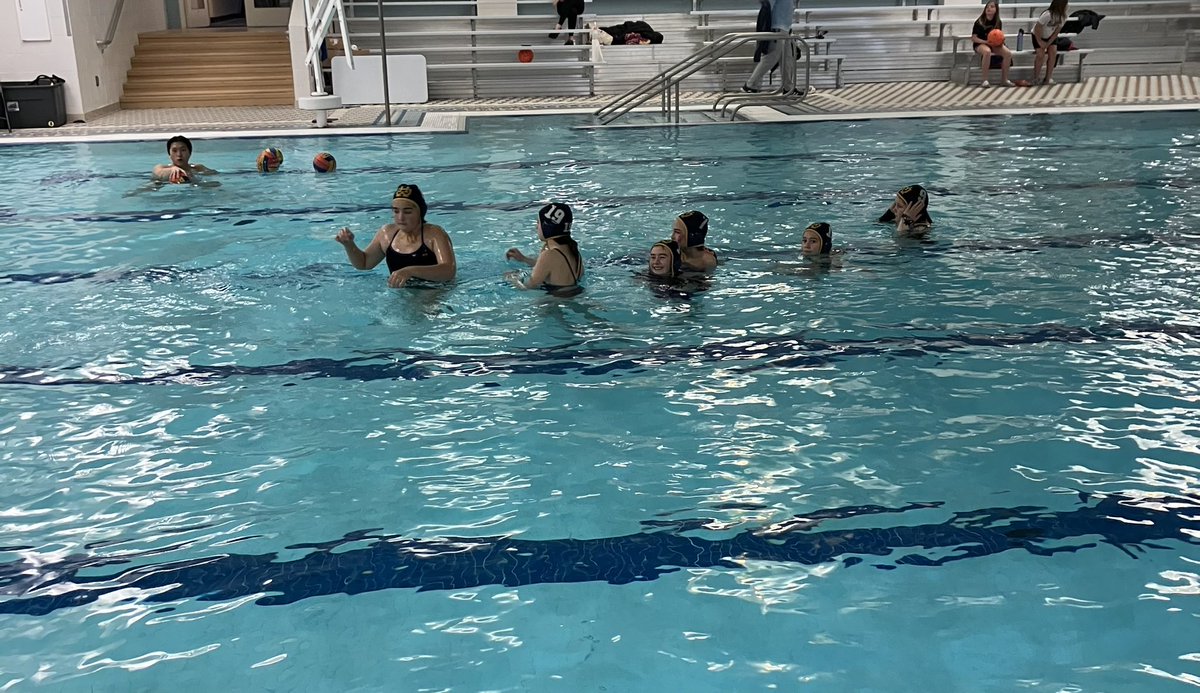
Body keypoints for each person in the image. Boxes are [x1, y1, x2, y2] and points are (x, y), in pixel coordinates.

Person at [334, 183, 456, 288]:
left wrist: (410, 271)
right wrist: (349, 245)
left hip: (436, 293)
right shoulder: (387, 234)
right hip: (402, 296)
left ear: (420, 212)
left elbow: (448, 270)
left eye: (407, 212)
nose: (400, 217)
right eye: (396, 211)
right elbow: (364, 263)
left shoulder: (434, 234)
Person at [505, 202, 584, 295]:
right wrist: (524, 259)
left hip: (553, 303)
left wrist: (512, 279)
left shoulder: (549, 254)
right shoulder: (573, 251)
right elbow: (553, 267)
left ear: (547, 226)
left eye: (538, 223)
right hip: (574, 296)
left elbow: (527, 287)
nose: (536, 227)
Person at [743, 0, 799, 93]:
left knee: (787, 59)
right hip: (777, 28)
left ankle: (788, 87)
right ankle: (750, 85)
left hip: (785, 28)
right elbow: (766, 8)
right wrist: (767, 29)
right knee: (771, 57)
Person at [972, 1, 1013, 88]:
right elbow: (974, 38)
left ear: (996, 10)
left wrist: (1000, 40)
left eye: (992, 7)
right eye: (987, 7)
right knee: (987, 52)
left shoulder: (998, 22)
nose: (989, 8)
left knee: (1008, 53)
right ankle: (985, 80)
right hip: (980, 43)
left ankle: (1004, 80)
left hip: (994, 43)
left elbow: (998, 35)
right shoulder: (979, 22)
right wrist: (986, 42)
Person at [1032, 0, 1069, 85]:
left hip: (1050, 36)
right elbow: (1037, 28)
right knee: (1040, 55)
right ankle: (1036, 78)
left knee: (1053, 53)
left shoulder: (1063, 17)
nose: (1067, 6)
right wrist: (1040, 41)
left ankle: (1048, 78)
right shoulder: (1047, 14)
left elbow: (1056, 32)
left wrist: (1048, 43)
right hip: (1037, 35)